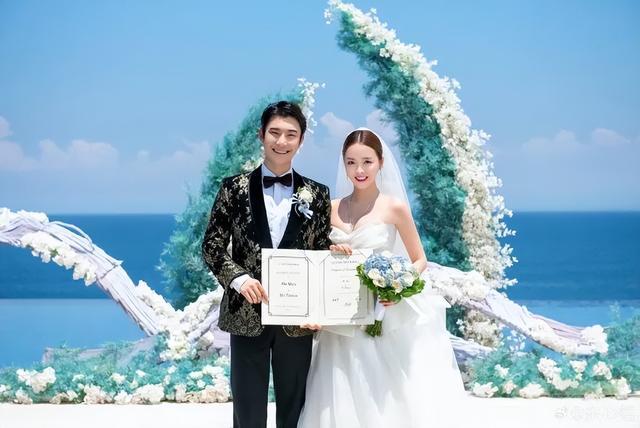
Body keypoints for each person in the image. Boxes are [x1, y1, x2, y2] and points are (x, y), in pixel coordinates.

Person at [298, 128, 467, 428]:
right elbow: (317, 258)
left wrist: (397, 286)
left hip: (381, 314)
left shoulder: (394, 207)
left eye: (367, 162)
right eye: (351, 162)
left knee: (383, 393)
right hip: (339, 319)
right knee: (338, 391)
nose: (359, 170)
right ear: (343, 164)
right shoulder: (330, 208)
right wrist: (331, 250)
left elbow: (419, 259)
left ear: (380, 163)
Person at [202, 101, 332, 428]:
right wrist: (239, 279)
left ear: (301, 140)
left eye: (291, 134)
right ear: (261, 135)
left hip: (298, 317)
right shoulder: (232, 189)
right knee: (247, 411)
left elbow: (319, 253)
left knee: (295, 409)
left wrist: (322, 302)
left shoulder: (317, 194)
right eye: (274, 132)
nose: (281, 141)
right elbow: (212, 246)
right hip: (246, 313)